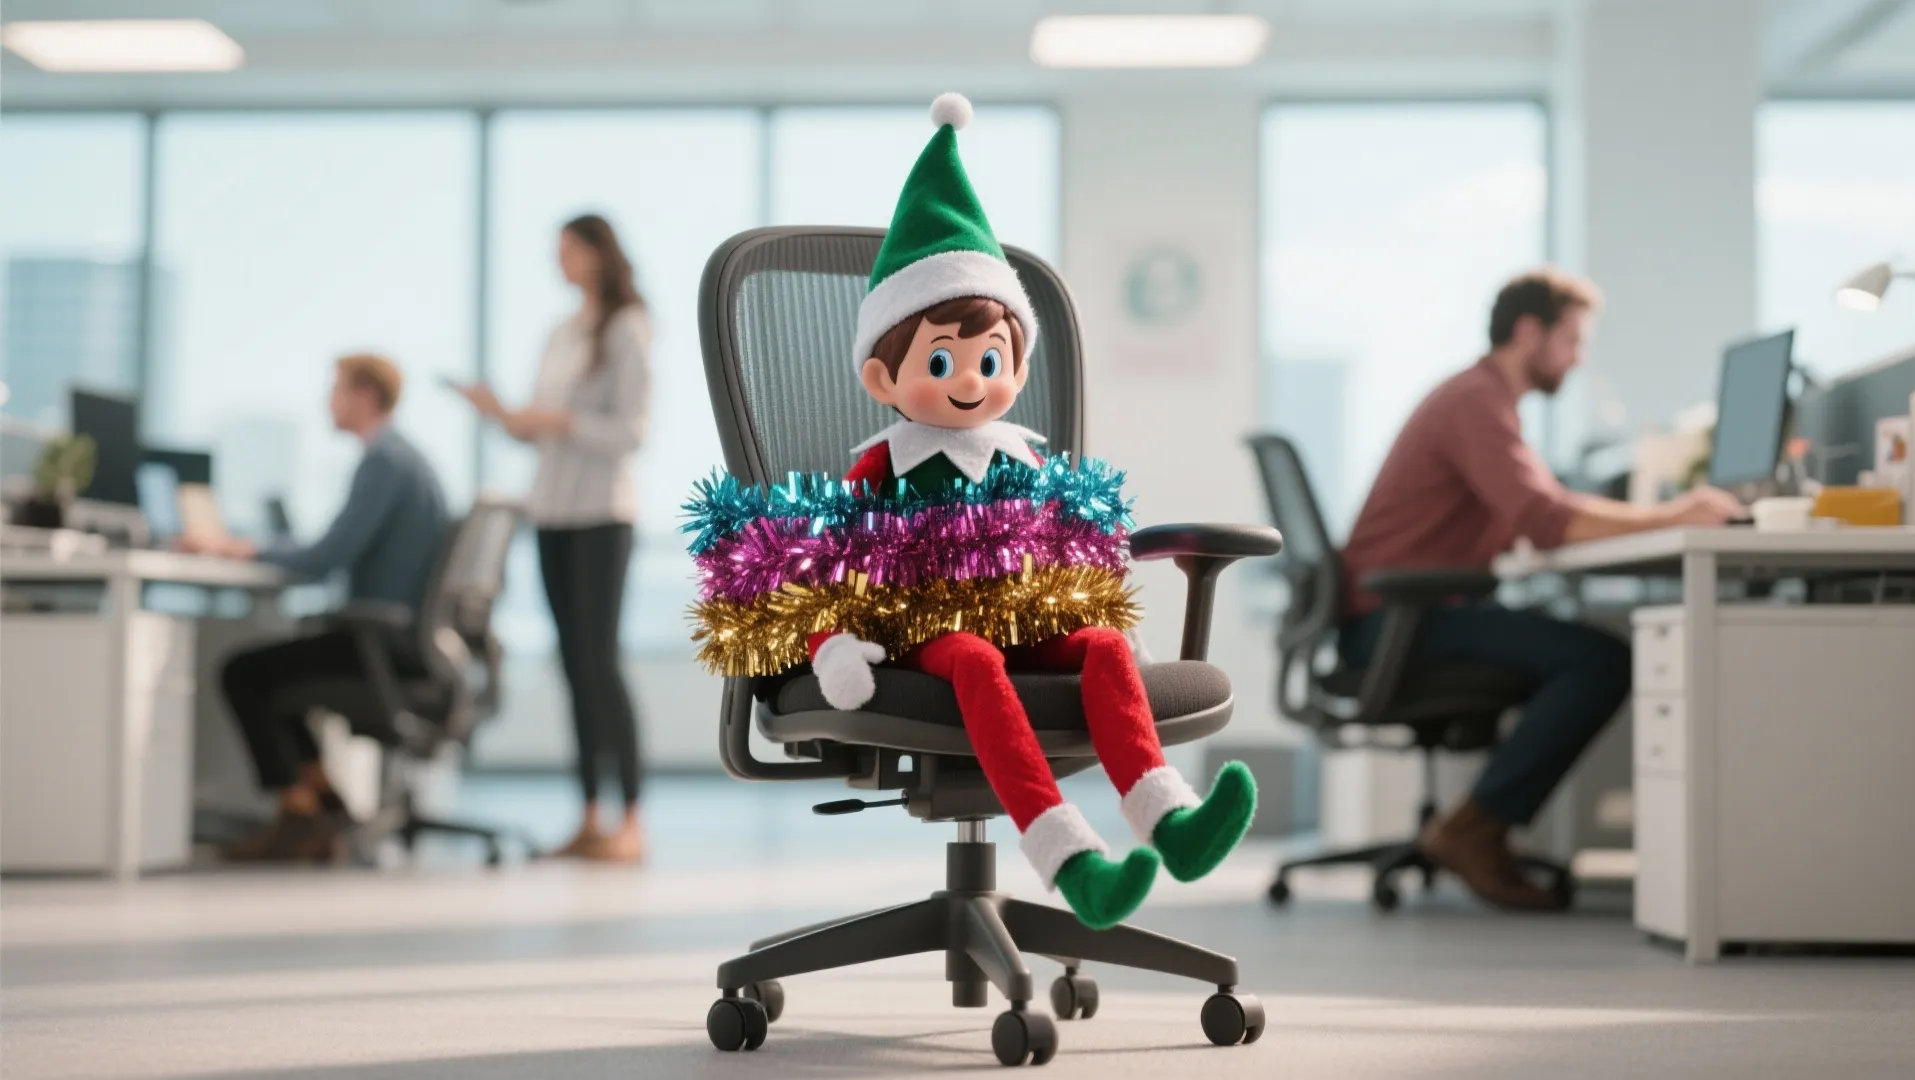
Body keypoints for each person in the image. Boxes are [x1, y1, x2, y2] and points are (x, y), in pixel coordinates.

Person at [685, 95, 1256, 930]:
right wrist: (829, 643)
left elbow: (1072, 543)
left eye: (992, 357)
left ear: (1019, 362)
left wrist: (1101, 600)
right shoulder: (882, 465)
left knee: (1100, 647)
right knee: (979, 665)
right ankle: (1073, 861)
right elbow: (819, 568)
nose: (971, 378)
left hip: (1029, 616)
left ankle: (1170, 818)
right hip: (921, 632)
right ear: (882, 379)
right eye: (945, 358)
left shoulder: (1024, 456)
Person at [1339, 268, 1743, 911]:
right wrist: (1675, 515)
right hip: (1400, 620)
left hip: (1406, 612)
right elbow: (1546, 520)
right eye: (1573, 341)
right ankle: (1473, 830)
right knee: (1600, 658)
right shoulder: (1476, 400)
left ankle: (1479, 826)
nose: (1579, 360)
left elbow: (1537, 509)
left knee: (1584, 650)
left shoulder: (1479, 398)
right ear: (1529, 332)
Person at [184, 353, 451, 862]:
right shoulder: (403, 460)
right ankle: (324, 808)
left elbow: (326, 558)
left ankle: (302, 815)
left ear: (365, 396)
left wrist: (243, 548)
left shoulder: (384, 461)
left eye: (337, 389)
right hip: (401, 641)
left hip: (383, 645)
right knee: (267, 674)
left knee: (244, 673)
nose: (328, 401)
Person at [451, 214, 651, 864]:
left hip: (602, 515)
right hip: (553, 515)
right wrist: (506, 417)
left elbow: (631, 432)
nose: (559, 261)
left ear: (598, 253)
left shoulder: (626, 327)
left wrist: (559, 420)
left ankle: (631, 818)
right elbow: (535, 429)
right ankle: (589, 816)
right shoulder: (560, 333)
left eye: (569, 249)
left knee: (601, 665)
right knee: (571, 669)